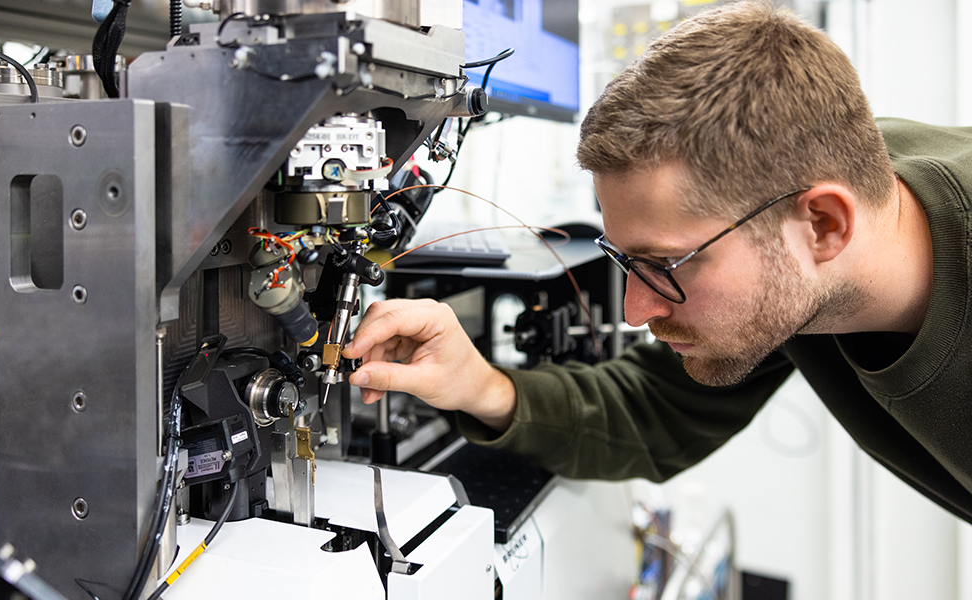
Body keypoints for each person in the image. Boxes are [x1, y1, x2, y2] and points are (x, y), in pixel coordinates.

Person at [342, 0, 972, 523]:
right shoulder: (813, 177)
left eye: (668, 265)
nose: (636, 310)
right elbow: (658, 406)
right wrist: (479, 386)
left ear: (826, 225)